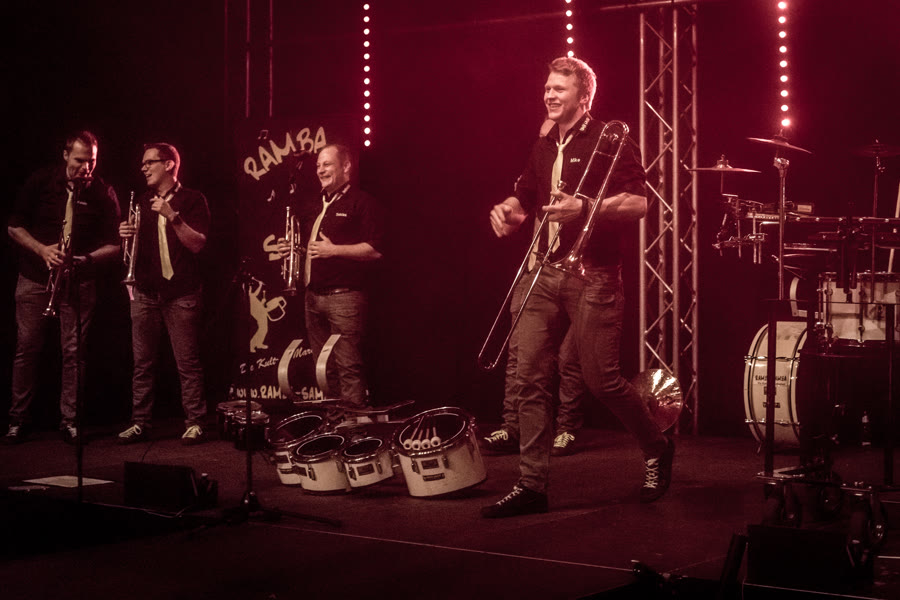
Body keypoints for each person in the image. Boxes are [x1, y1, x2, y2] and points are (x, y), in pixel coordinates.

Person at [482, 57, 674, 518]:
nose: (549, 95)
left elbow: (639, 205)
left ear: (584, 97)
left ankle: (656, 445)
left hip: (594, 274)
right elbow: (526, 197)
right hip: (542, 271)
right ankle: (532, 484)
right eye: (547, 87)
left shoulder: (611, 139)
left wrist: (585, 208)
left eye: (559, 89)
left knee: (601, 380)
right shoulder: (544, 141)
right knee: (528, 377)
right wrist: (509, 211)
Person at [5, 131, 120, 444]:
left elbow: (115, 243)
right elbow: (13, 226)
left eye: (91, 162)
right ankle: (18, 420)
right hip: (35, 277)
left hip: (79, 280)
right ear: (66, 155)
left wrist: (84, 259)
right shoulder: (41, 182)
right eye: (80, 161)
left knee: (74, 353)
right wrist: (42, 250)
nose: (86, 168)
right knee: (27, 349)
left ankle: (70, 421)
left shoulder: (102, 192)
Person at [116, 143, 211, 445]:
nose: (143, 168)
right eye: (143, 163)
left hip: (181, 293)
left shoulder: (193, 199)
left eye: (150, 162)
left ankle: (195, 422)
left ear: (169, 165)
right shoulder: (142, 202)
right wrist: (125, 237)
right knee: (142, 364)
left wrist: (174, 217)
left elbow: (197, 244)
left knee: (187, 363)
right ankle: (140, 422)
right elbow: (133, 253)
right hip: (145, 292)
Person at [278, 144, 384, 408]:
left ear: (346, 166)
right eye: (318, 165)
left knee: (348, 366)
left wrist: (334, 250)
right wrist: (292, 249)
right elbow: (313, 250)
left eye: (327, 164)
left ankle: (354, 426)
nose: (320, 170)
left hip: (344, 297)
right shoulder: (314, 204)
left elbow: (375, 250)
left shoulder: (362, 202)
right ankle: (335, 424)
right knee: (324, 369)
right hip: (313, 296)